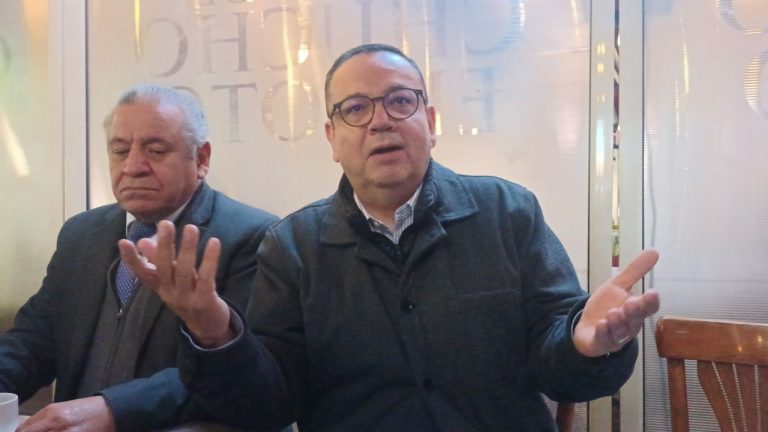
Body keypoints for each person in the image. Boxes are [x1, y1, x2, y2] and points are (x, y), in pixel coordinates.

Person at [124, 44, 661, 432]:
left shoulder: (507, 212)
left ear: (430, 121)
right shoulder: (294, 246)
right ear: (333, 139)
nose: (380, 121)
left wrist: (586, 346)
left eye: (400, 101)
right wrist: (214, 329)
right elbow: (267, 406)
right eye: (355, 109)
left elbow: (562, 368)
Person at [0, 83, 278, 432]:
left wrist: (114, 408)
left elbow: (245, 378)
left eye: (156, 150)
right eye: (119, 150)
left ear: (201, 158)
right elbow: (33, 342)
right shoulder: (81, 235)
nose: (132, 166)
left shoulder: (254, 237)